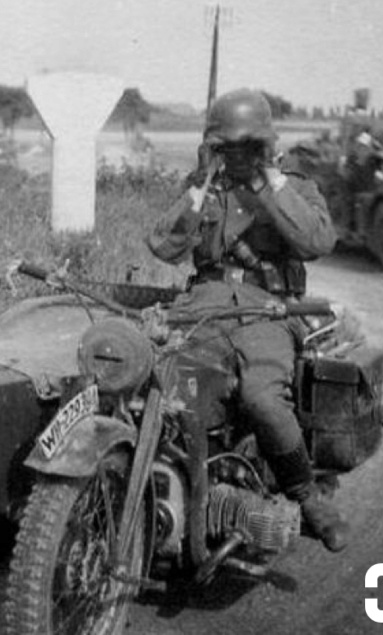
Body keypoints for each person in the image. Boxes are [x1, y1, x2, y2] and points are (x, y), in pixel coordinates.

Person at [146, 88, 350, 552]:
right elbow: (163, 246)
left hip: (270, 310)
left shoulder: (294, 186)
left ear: (265, 143)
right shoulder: (203, 188)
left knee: (261, 396)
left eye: (247, 147)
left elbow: (317, 241)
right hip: (205, 305)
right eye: (226, 147)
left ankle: (306, 495)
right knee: (160, 383)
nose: (236, 157)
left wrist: (270, 181)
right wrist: (201, 179)